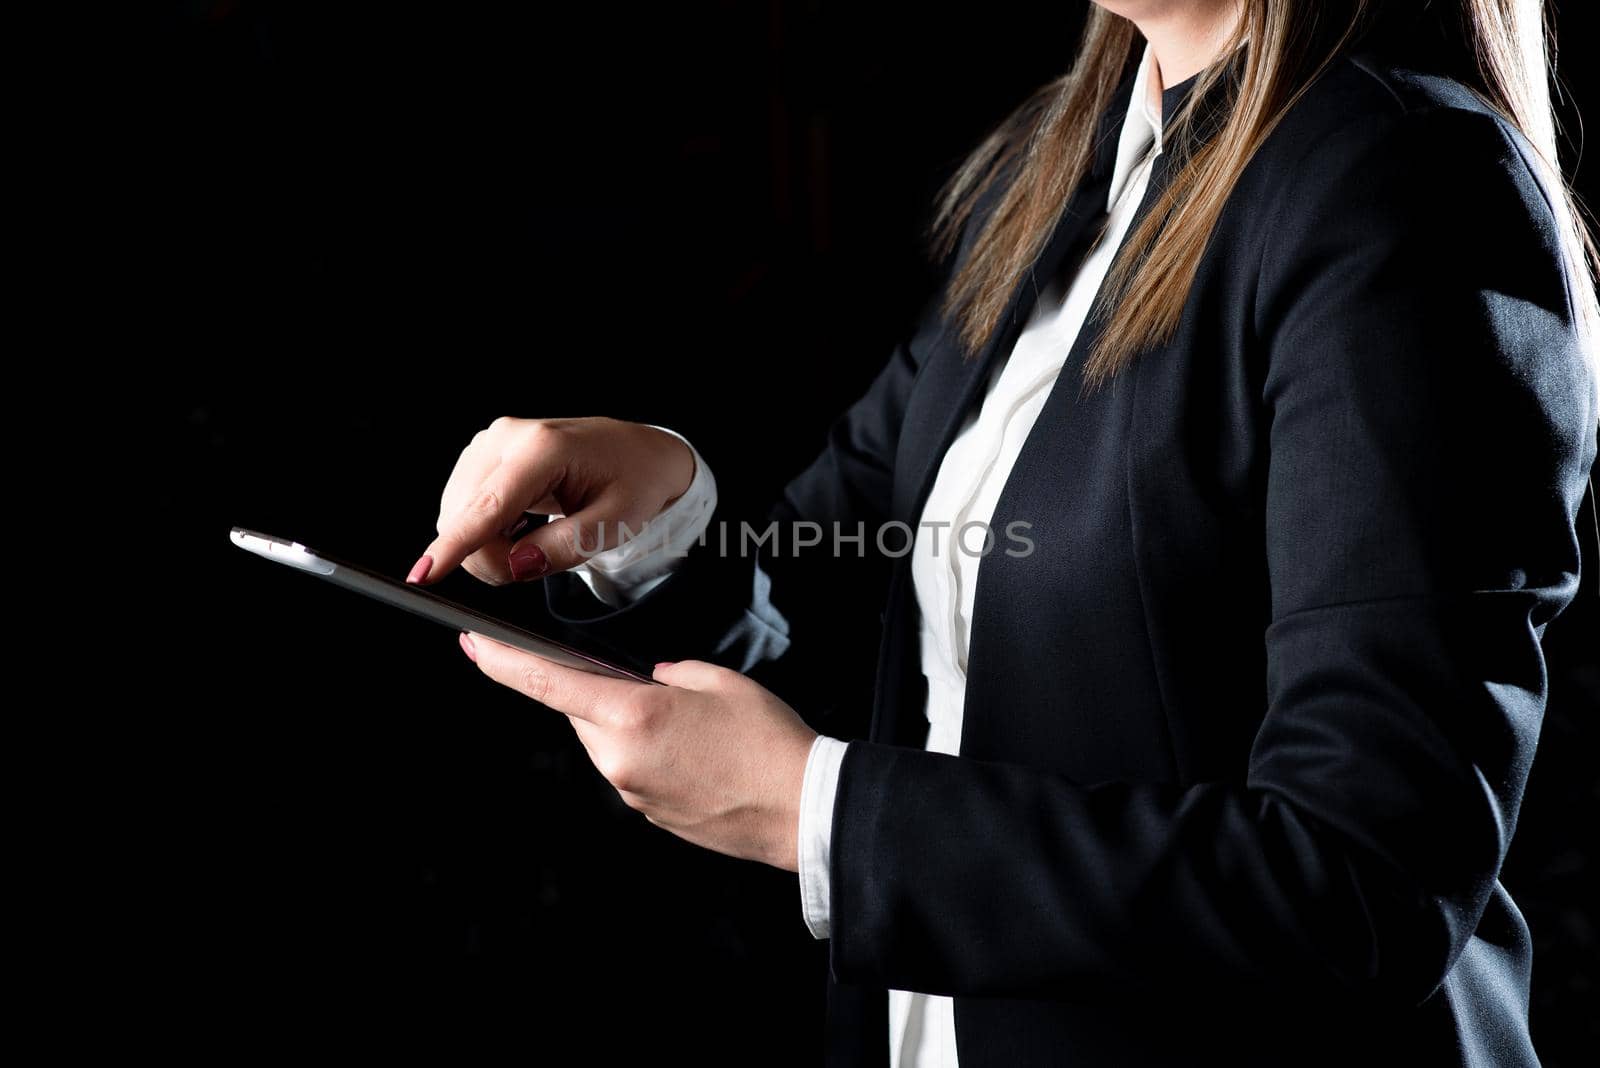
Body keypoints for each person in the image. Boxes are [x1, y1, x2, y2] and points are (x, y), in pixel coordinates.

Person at [407, 1, 1600, 1064]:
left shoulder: (1405, 182)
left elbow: (1361, 885)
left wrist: (816, 818)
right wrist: (658, 512)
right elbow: (844, 599)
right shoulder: (1061, 171)